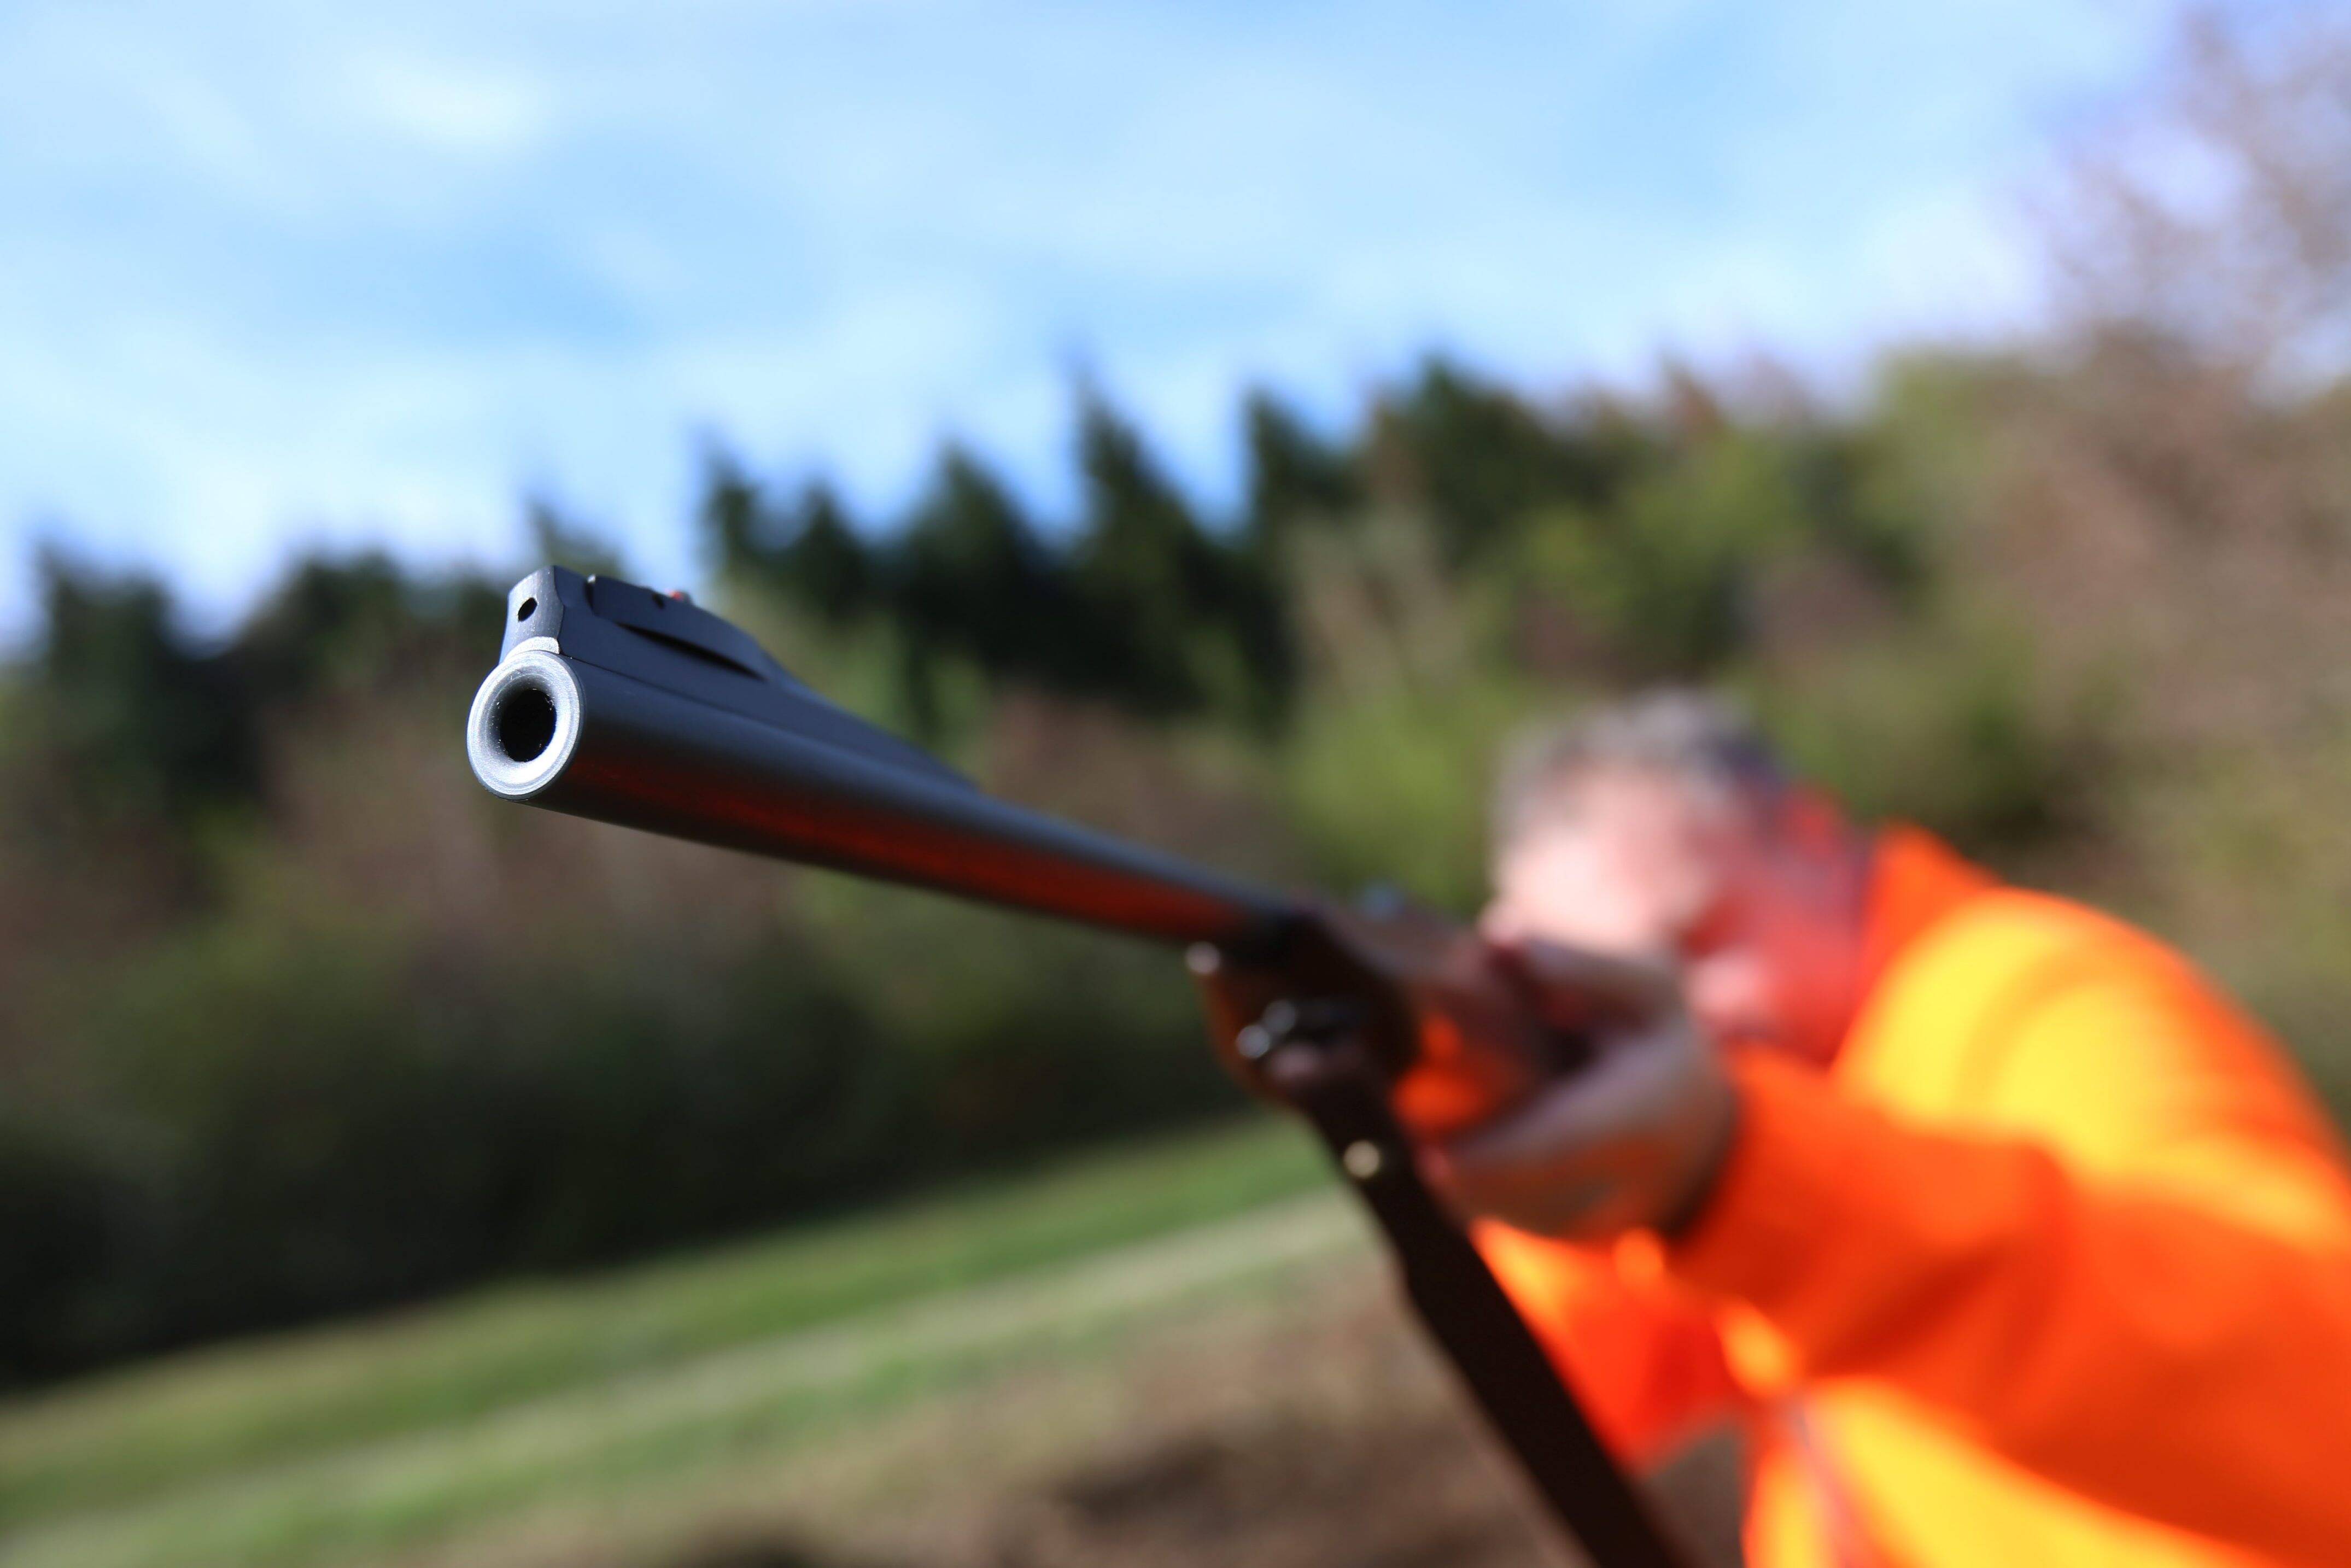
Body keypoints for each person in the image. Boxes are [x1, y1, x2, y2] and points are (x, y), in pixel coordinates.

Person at [1433, 692, 2351, 1568]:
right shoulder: (1807, 1086)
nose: (1679, 1033)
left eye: (1695, 944)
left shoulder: (2038, 996)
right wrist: (1500, 1104)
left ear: (1813, 837)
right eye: (1611, 1006)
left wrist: (1745, 1175)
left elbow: (2321, 1393)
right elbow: (1556, 1395)